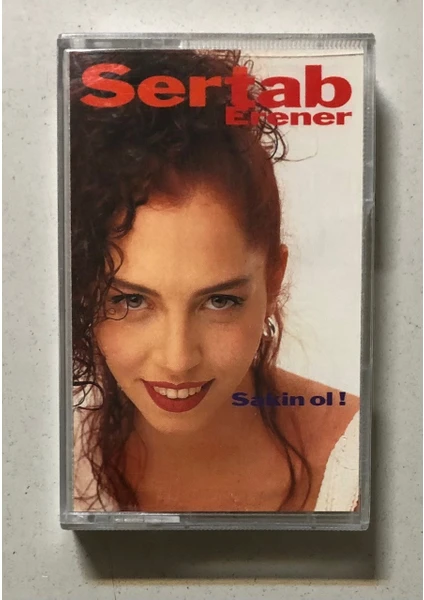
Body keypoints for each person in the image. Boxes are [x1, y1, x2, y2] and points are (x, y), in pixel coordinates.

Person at [70, 49, 359, 513]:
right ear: (85, 286)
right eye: (131, 300)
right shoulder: (41, 457)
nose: (178, 360)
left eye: (220, 301)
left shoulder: (372, 460)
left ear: (273, 279)